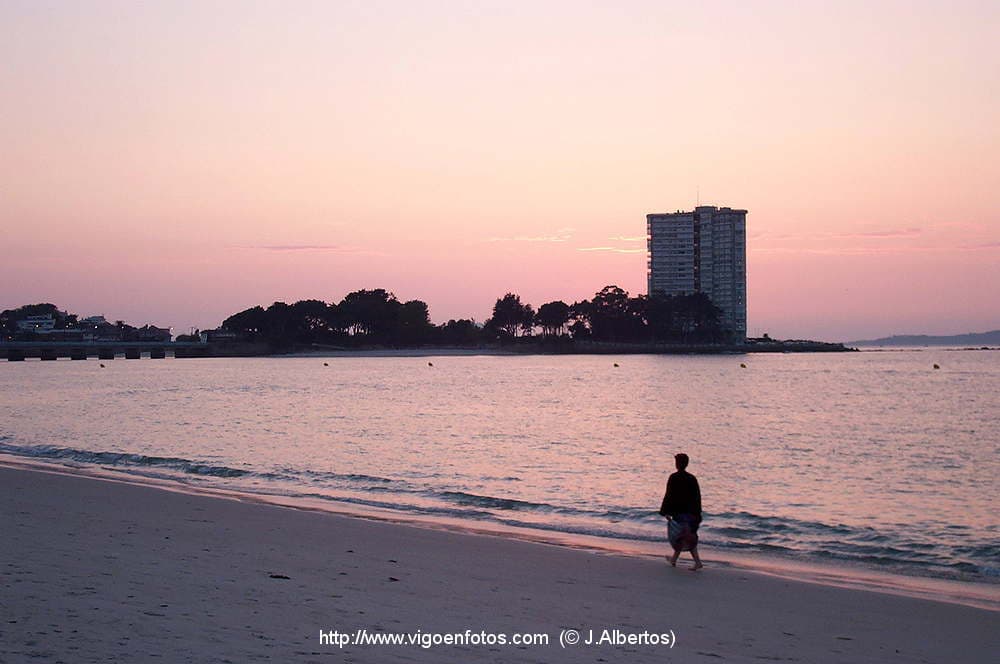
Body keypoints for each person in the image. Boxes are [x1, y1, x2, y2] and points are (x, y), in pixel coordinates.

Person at [658, 453, 703, 570]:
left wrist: (665, 511)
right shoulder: (692, 478)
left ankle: (695, 562)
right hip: (691, 513)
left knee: (681, 537)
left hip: (679, 513)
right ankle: (675, 560)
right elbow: (697, 498)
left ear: (677, 464)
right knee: (685, 536)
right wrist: (698, 514)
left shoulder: (673, 477)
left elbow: (668, 496)